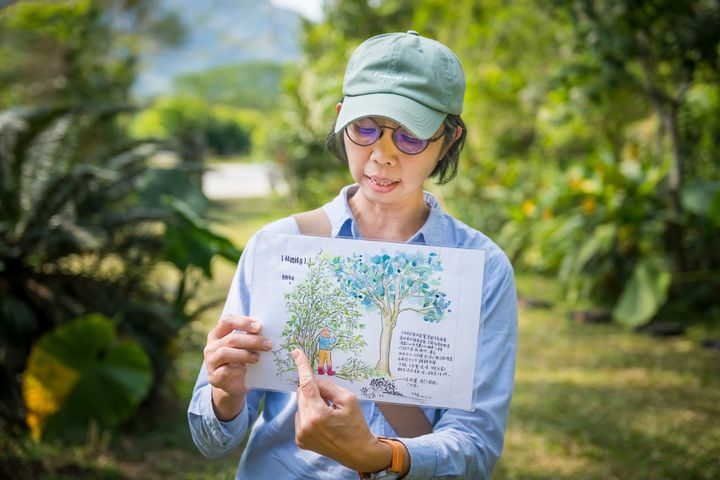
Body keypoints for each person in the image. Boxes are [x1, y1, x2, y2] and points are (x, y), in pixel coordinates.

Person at [188, 30, 518, 479]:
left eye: (410, 136)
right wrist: (226, 397)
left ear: (449, 137)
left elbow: (476, 444)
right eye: (366, 129)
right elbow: (212, 441)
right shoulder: (279, 247)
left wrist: (379, 456)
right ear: (342, 119)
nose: (381, 156)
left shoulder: (483, 268)